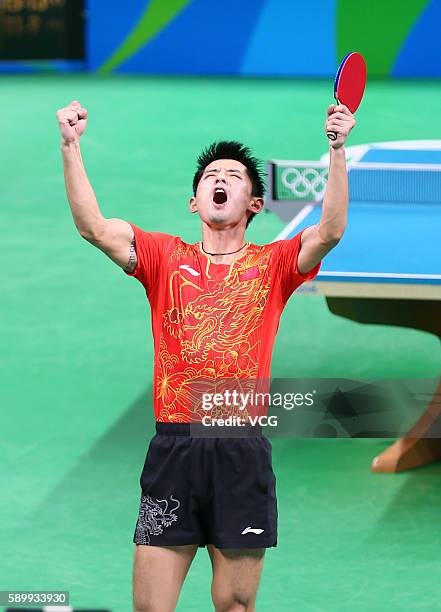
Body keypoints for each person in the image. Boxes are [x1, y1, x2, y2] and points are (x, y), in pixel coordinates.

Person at [56, 100, 355, 611]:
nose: (221, 179)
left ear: (254, 203)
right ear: (194, 201)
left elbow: (328, 231)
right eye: (211, 175)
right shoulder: (162, 257)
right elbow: (94, 227)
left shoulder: (275, 264)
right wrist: (70, 146)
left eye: (234, 176)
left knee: (234, 605)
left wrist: (338, 150)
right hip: (174, 447)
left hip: (240, 449)